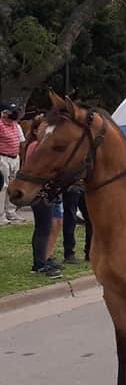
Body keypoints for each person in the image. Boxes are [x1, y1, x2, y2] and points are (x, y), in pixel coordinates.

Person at [23, 116, 63, 278]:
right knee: (43, 227)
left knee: (48, 226)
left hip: (49, 191)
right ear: (35, 131)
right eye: (43, 130)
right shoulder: (35, 146)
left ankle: (44, 259)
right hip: (39, 193)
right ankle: (39, 264)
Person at [0, 102, 27, 225]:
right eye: (11, 111)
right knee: (3, 186)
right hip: (2, 157)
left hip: (14, 157)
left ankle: (11, 212)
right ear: (4, 113)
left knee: (13, 185)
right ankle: (1, 215)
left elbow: (22, 142)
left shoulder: (16, 125)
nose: (15, 113)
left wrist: (21, 158)